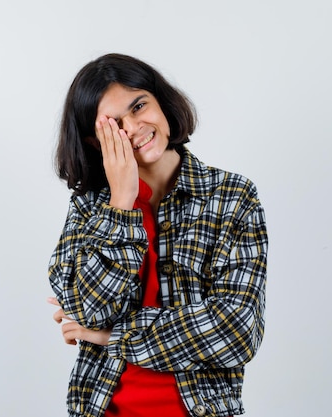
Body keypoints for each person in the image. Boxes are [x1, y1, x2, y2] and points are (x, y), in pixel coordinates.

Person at [47, 53, 268, 417]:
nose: (133, 128)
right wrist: (121, 202)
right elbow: (89, 310)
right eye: (114, 124)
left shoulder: (232, 196)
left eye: (139, 106)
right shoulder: (89, 208)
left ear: (161, 102)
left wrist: (110, 336)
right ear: (94, 141)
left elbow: (235, 332)